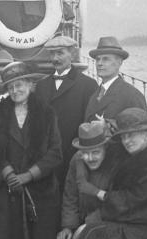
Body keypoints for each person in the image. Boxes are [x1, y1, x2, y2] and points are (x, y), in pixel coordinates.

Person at [75, 108, 147, 239]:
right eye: (123, 136)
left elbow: (131, 201)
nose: (126, 141)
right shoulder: (135, 154)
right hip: (139, 219)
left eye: (131, 135)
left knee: (91, 232)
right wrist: (106, 124)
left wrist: (99, 198)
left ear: (146, 133)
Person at [0, 63, 62, 239]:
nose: (15, 90)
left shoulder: (47, 113)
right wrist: (8, 173)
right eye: (10, 87)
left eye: (19, 85)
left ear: (30, 84)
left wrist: (29, 175)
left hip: (41, 194)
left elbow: (55, 152)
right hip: (8, 192)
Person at [35, 36, 99, 191]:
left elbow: (89, 123)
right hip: (47, 157)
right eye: (52, 54)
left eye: (60, 53)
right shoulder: (41, 86)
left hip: (73, 155)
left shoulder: (88, 85)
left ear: (72, 54)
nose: (55, 58)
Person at [57, 120, 118, 239]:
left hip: (108, 223)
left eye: (95, 152)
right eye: (85, 153)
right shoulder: (76, 161)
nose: (90, 158)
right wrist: (68, 226)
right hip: (83, 220)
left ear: (105, 147)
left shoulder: (115, 164)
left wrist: (88, 225)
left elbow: (115, 204)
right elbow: (70, 196)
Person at [83, 36, 146, 122]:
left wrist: (108, 127)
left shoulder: (132, 96)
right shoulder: (95, 95)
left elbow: (141, 132)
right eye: (98, 59)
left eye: (106, 59)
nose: (99, 63)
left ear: (119, 62)